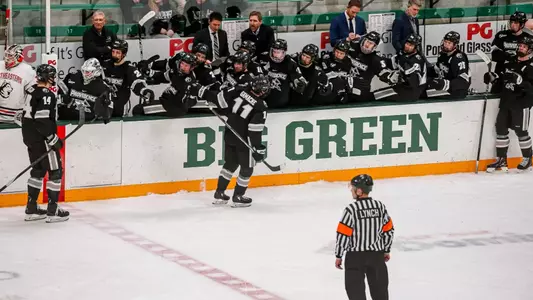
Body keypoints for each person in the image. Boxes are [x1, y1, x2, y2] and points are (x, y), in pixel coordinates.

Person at [201, 75, 270, 207]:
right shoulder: (261, 106)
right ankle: (238, 196)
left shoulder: (241, 91)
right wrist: (258, 148)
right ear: (262, 91)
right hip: (245, 140)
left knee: (230, 164)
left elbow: (224, 104)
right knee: (247, 169)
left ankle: (219, 194)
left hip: (230, 134)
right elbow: (254, 130)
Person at [22, 64, 70, 223]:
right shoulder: (46, 94)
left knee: (38, 170)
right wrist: (52, 139)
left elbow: (22, 117)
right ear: (49, 77)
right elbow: (42, 120)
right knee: (55, 171)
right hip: (44, 140)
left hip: (30, 138)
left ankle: (32, 208)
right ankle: (52, 210)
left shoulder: (31, 92)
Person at [335, 174, 394, 300]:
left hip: (355, 258)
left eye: (353, 188)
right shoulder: (380, 206)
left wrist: (339, 255)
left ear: (360, 191)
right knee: (380, 294)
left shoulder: (351, 209)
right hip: (376, 256)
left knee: (356, 294)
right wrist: (386, 250)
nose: (351, 190)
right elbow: (389, 230)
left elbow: (343, 234)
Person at [484, 36, 533, 172]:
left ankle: (528, 158)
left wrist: (521, 82)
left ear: (530, 50)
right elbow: (502, 80)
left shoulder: (531, 66)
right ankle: (501, 160)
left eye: (524, 47)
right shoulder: (510, 62)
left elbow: (531, 88)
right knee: (501, 129)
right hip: (506, 101)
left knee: (521, 131)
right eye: (520, 46)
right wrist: (493, 78)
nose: (521, 48)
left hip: (521, 104)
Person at [102, 39, 154, 118]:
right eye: (113, 52)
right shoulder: (105, 65)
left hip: (120, 107)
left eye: (118, 53)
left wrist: (144, 91)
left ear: (124, 54)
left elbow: (137, 83)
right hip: (104, 105)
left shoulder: (129, 68)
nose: (114, 55)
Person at [57, 58, 114, 123]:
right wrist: (62, 97)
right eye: (84, 71)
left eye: (88, 72)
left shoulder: (103, 88)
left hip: (87, 124)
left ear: (96, 71)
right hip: (64, 120)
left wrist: (105, 110)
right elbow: (60, 90)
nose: (85, 74)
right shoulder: (73, 76)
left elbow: (108, 114)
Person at [374, 34, 427, 102]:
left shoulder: (416, 60)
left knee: (377, 95)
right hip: (404, 88)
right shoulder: (403, 54)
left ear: (415, 47)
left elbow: (413, 83)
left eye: (411, 45)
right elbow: (390, 63)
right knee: (377, 93)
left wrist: (398, 77)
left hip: (412, 92)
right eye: (407, 43)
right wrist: (378, 58)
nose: (407, 46)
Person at [258, 39, 307, 108]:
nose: (275, 54)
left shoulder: (290, 63)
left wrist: (299, 85)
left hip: (281, 104)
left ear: (284, 52)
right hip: (263, 101)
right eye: (274, 51)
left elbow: (300, 80)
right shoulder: (264, 58)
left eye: (278, 52)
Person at [347, 31, 395, 102]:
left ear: (374, 47)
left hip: (361, 91)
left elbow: (384, 73)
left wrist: (390, 77)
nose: (367, 44)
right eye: (367, 41)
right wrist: (347, 39)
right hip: (346, 85)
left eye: (371, 43)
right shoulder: (353, 46)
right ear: (363, 40)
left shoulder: (375, 60)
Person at [491, 11, 529, 94]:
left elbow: (529, 58)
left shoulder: (528, 38)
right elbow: (494, 55)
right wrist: (509, 56)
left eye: (515, 22)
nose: (512, 24)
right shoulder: (501, 35)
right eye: (511, 22)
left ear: (522, 24)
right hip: (501, 73)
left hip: (519, 75)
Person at [426, 31, 471, 99]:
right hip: (445, 88)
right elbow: (436, 70)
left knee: (425, 94)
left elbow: (463, 81)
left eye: (449, 43)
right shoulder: (442, 54)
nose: (446, 45)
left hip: (455, 92)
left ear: (455, 45)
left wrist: (444, 84)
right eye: (445, 42)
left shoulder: (458, 58)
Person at [0, 44, 36, 124]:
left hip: (15, 117)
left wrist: (26, 112)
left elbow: (32, 93)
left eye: (10, 56)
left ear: (19, 57)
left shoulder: (27, 70)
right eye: (6, 55)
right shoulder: (0, 65)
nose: (7, 58)